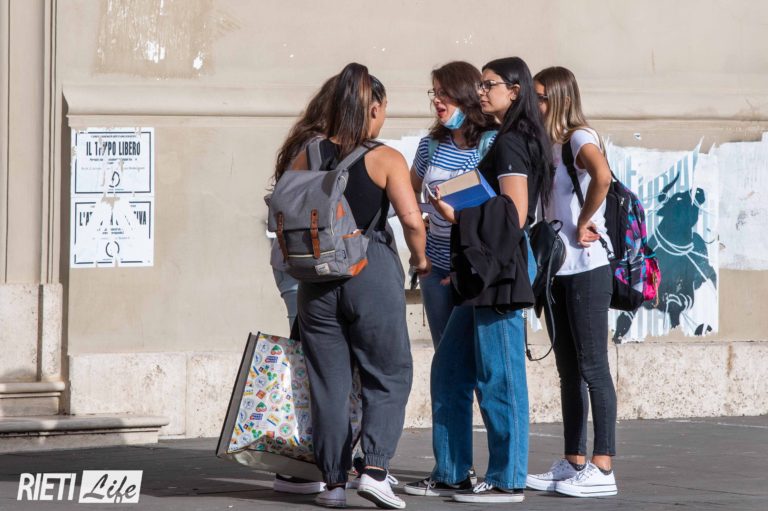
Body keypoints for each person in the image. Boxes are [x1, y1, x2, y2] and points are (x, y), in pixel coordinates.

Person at [405, 57, 552, 504]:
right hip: (483, 265)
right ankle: (452, 472)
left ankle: (507, 479)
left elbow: (514, 214)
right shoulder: (508, 138)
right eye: (481, 85)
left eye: (489, 85)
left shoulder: (511, 142)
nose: (481, 91)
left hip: (500, 267)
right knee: (450, 369)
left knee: (500, 375)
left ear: (515, 91)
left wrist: (457, 215)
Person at [293, 63, 429, 509]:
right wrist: (421, 259)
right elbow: (411, 220)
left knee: (328, 383)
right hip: (369, 271)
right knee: (388, 373)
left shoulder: (308, 153)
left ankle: (333, 483)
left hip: (316, 279)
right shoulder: (385, 158)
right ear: (374, 108)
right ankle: (374, 470)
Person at [526, 66, 617, 498]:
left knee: (593, 366)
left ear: (559, 98)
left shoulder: (579, 137)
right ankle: (573, 460)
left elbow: (603, 176)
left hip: (587, 268)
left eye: (540, 97)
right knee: (568, 371)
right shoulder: (548, 144)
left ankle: (603, 466)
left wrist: (584, 220)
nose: (534, 103)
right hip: (556, 271)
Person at [267, 75, 337, 496]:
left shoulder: (303, 142)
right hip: (308, 267)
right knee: (316, 366)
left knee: (308, 361)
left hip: (292, 264)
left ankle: (304, 462)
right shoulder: (319, 148)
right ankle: (305, 463)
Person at [409, 61, 497, 349]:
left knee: (477, 353)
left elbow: (502, 206)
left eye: (444, 93)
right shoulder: (430, 145)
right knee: (445, 351)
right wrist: (420, 228)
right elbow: (409, 191)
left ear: (465, 95)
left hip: (473, 266)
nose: (437, 100)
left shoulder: (490, 144)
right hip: (435, 265)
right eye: (434, 93)